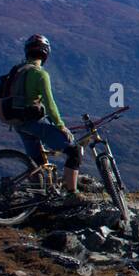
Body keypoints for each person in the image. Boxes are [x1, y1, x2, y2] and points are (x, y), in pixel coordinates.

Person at [10, 34, 85, 205]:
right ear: (45, 54)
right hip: (34, 122)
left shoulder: (18, 70)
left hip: (18, 123)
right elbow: (50, 105)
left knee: (36, 162)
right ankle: (72, 193)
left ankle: (38, 199)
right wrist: (61, 126)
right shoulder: (40, 74)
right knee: (74, 151)